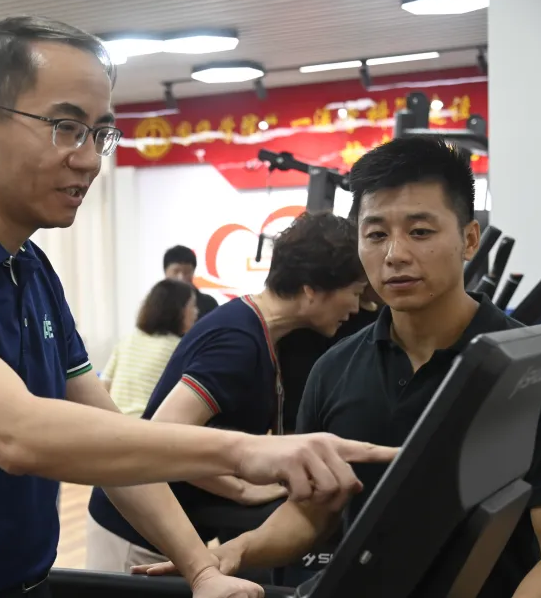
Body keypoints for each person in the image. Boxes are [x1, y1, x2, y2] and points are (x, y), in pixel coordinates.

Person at [0, 16, 397, 598]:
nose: (89, 160)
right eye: (66, 128)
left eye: (100, 133)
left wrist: (202, 569)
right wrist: (245, 450)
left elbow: (111, 440)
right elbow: (15, 435)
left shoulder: (31, 268)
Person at [132, 137, 541, 598]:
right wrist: (238, 551)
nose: (395, 254)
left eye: (420, 232)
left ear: (469, 239)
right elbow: (309, 513)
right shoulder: (333, 371)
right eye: (376, 235)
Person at [87, 211, 368, 573]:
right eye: (354, 293)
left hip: (167, 528)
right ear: (312, 288)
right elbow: (165, 432)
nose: (356, 307)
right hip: (134, 531)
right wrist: (241, 489)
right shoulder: (238, 342)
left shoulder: (255, 328)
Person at [102, 279, 196, 417]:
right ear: (178, 310)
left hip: (115, 420)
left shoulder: (127, 340)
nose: (196, 312)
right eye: (192, 306)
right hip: (148, 423)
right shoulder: (180, 348)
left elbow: (104, 385)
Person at [164, 245, 220, 318]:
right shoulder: (157, 304)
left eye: (187, 272)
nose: (181, 277)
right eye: (176, 271)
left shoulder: (208, 304)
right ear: (166, 271)